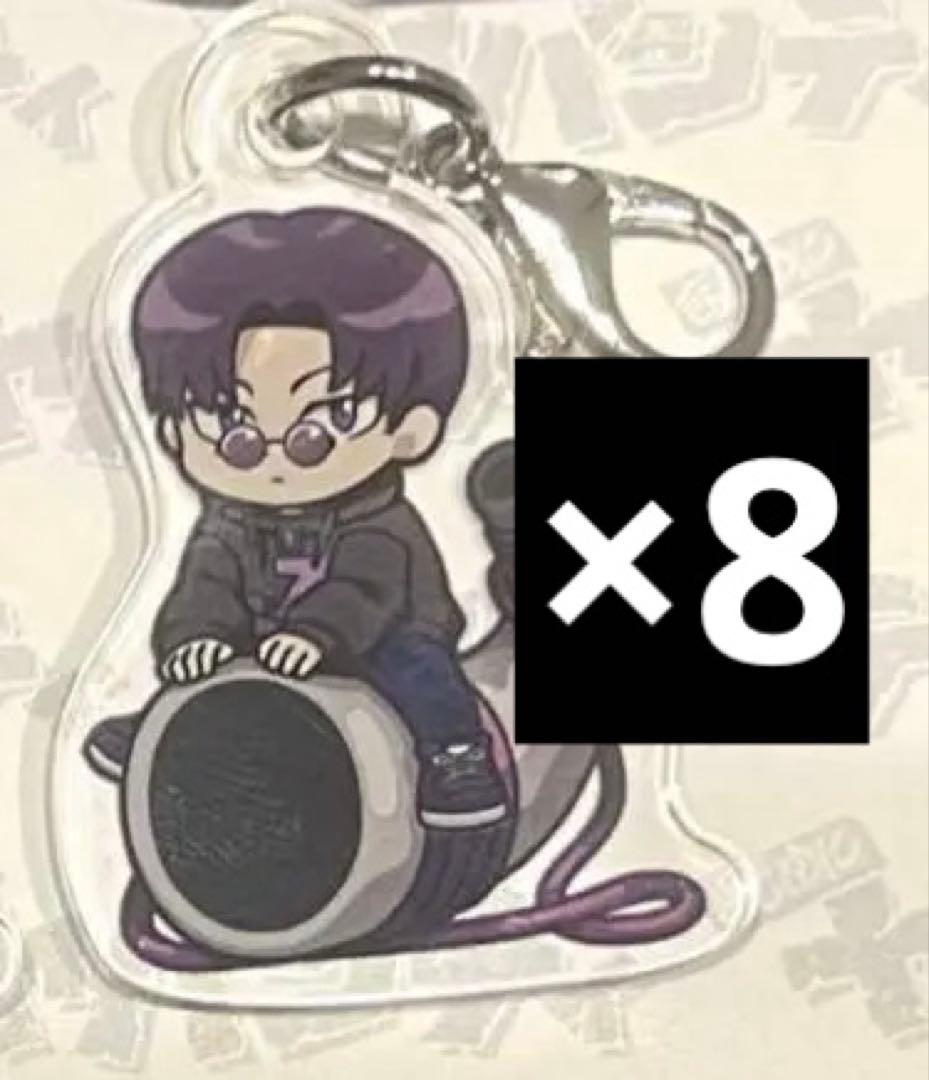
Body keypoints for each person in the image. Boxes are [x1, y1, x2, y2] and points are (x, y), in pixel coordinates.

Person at [83, 208, 509, 829]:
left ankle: (456, 756)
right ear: (175, 434)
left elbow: (367, 589)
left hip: (384, 631)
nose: (275, 457)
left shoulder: (378, 524)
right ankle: (163, 728)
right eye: (236, 432)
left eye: (318, 430)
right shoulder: (227, 522)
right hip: (268, 634)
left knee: (420, 672)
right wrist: (195, 637)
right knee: (213, 662)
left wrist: (316, 634)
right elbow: (206, 582)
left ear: (412, 429)